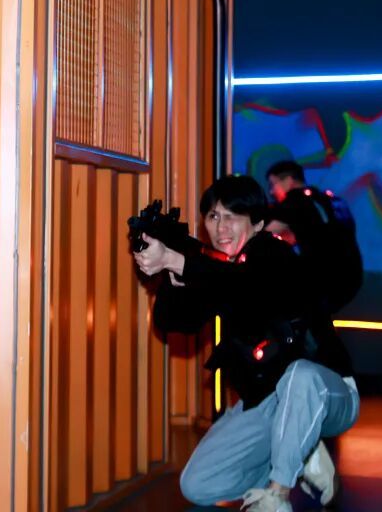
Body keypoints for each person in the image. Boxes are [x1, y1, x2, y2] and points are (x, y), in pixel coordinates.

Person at [134, 175, 358, 512]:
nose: (221, 227)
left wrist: (176, 260)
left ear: (258, 223)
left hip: (328, 393)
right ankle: (300, 452)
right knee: (198, 484)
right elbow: (176, 321)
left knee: (300, 375)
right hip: (268, 403)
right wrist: (170, 272)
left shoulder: (275, 254)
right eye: (213, 216)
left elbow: (245, 287)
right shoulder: (220, 270)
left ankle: (277, 494)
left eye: (232, 216)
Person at [266, 159, 363, 315]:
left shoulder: (295, 200)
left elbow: (264, 232)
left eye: (273, 184)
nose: (271, 191)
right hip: (351, 277)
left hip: (323, 279)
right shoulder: (330, 200)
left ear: (289, 180)